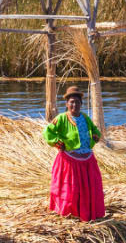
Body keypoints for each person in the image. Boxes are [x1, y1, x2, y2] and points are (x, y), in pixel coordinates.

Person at [43, 86, 105, 222]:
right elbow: (48, 132)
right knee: (71, 188)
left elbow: (95, 129)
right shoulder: (61, 118)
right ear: (66, 104)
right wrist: (58, 143)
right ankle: (70, 211)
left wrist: (95, 136)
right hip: (70, 159)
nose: (74, 105)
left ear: (81, 104)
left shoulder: (85, 118)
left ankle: (87, 211)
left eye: (77, 102)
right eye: (71, 102)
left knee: (89, 187)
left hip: (86, 157)